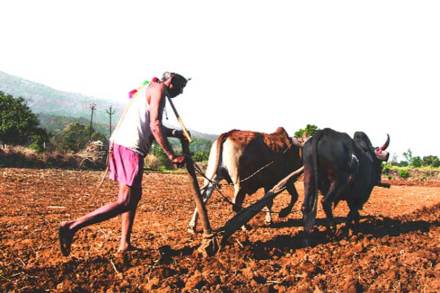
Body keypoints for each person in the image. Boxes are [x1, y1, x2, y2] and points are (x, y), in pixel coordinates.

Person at [58, 72, 188, 256]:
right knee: (126, 201)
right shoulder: (159, 89)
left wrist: (176, 133)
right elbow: (155, 125)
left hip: (121, 144)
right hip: (130, 148)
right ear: (171, 81)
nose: (181, 93)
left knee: (131, 198)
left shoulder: (149, 88)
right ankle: (72, 226)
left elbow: (150, 124)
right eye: (181, 87)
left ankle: (125, 244)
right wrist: (172, 155)